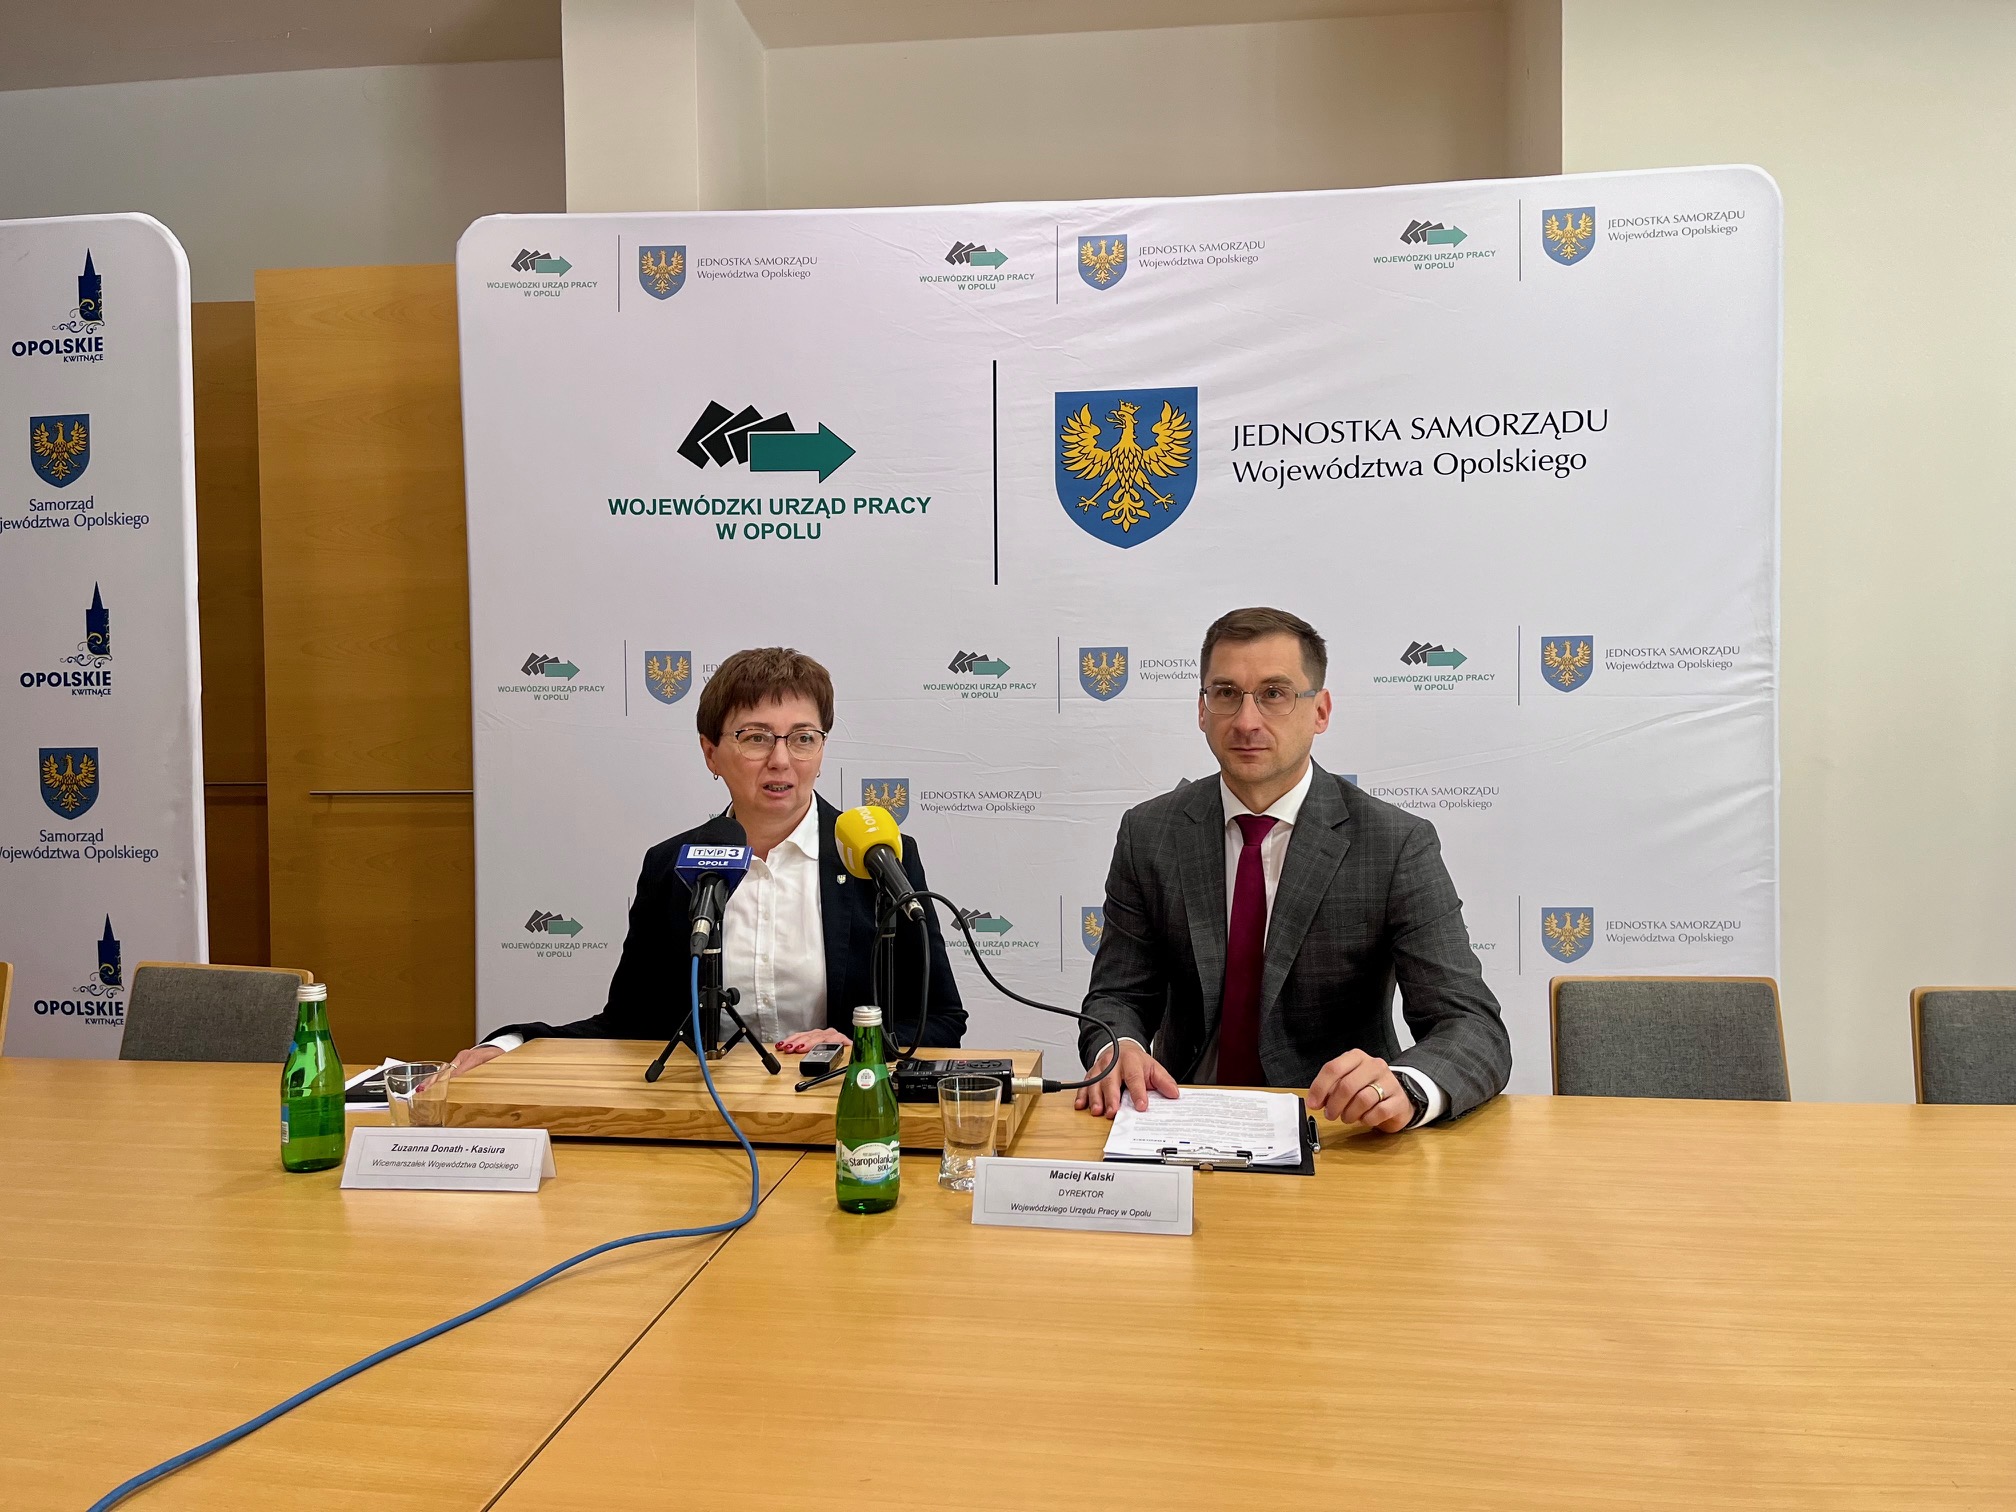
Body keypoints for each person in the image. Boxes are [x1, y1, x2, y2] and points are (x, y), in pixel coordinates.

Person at [1076, 607, 1510, 1131]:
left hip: (1336, 1126)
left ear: (1320, 711)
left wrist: (1408, 1087)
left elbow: (1471, 1026)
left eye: (1275, 693)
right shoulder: (1149, 833)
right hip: (1180, 1114)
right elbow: (1118, 996)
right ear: (1202, 710)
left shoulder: (1394, 843)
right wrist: (1118, 1046)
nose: (1246, 721)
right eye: (1226, 693)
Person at [448, 647, 964, 1074]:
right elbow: (631, 1024)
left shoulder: (876, 859)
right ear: (711, 752)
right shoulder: (672, 866)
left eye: (803, 738)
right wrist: (515, 1043)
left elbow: (941, 1019)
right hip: (706, 1116)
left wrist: (863, 1043)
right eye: (756, 737)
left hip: (839, 1107)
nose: (781, 759)